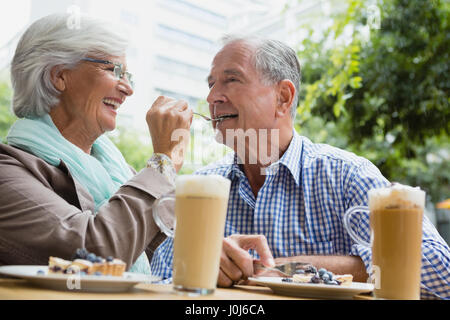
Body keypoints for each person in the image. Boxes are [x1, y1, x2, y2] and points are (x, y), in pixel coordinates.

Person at [150, 35, 450, 299]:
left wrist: (285, 268)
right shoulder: (199, 185)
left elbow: (442, 276)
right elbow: (159, 281)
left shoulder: (347, 176)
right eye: (211, 83)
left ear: (283, 97)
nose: (213, 97)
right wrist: (200, 262)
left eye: (231, 79)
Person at [0, 13, 192, 274]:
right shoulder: (7, 173)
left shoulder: (115, 171)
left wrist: (216, 251)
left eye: (128, 76)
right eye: (114, 71)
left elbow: (143, 245)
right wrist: (163, 162)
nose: (128, 89)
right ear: (59, 76)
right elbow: (96, 255)